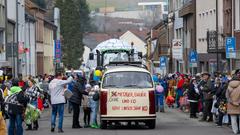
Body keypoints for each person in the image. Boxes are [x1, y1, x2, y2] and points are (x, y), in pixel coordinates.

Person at [226, 70, 240, 134]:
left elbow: (227, 96)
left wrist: (232, 102)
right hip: (239, 104)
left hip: (231, 104)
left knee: (233, 118)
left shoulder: (229, 86)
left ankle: (235, 131)